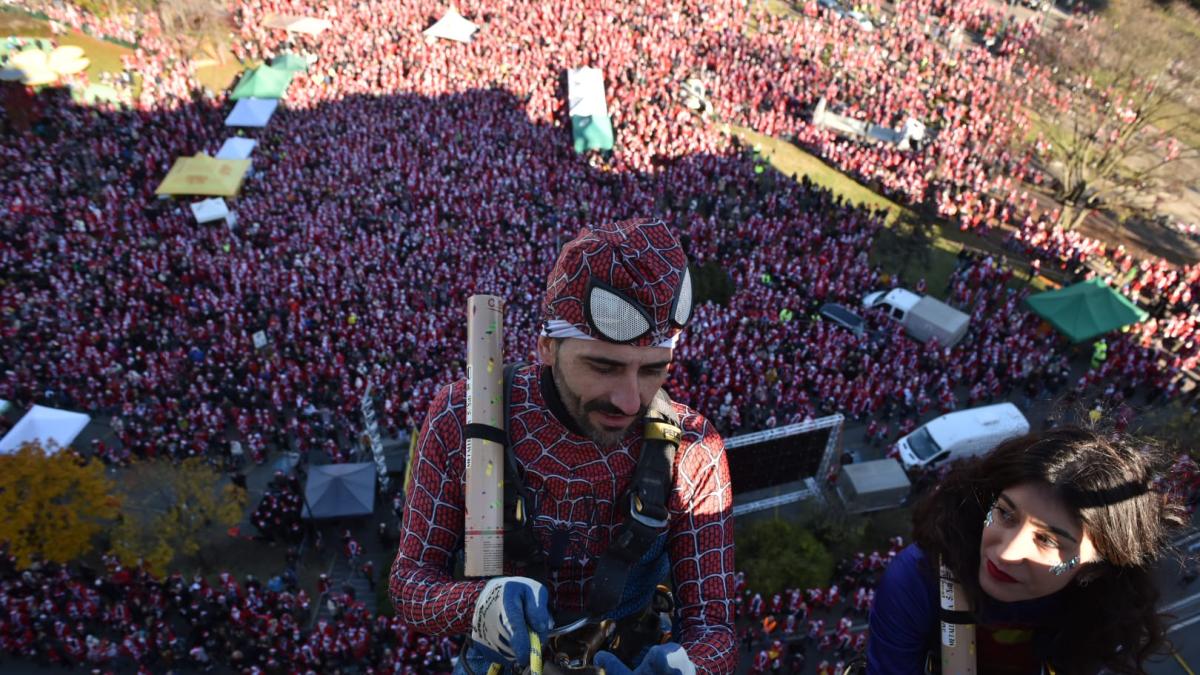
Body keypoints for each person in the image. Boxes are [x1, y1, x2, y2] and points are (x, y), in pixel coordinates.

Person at [390, 218, 736, 675]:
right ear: (547, 346)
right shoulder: (466, 415)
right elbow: (409, 583)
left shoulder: (693, 447)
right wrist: (477, 604)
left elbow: (715, 628)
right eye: (603, 366)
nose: (630, 399)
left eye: (653, 370)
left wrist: (687, 670)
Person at [867, 427, 1186, 674]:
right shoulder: (920, 579)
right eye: (1005, 513)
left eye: (1048, 540)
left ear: (1095, 566)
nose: (1007, 552)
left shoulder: (1105, 609)